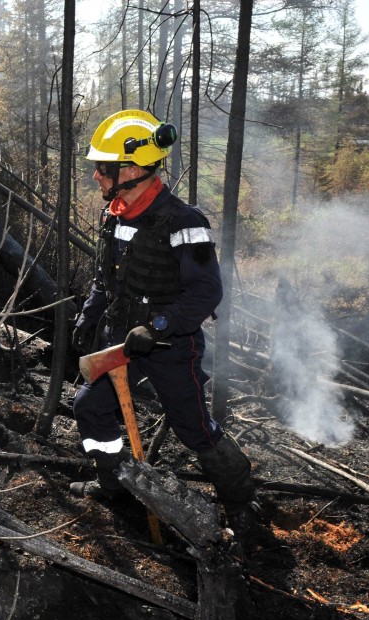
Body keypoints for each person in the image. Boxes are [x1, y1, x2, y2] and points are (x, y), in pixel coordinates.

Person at [69, 109, 258, 539]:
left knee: (193, 428)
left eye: (103, 168)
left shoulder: (185, 222)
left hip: (172, 347)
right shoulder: (114, 216)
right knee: (90, 407)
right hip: (121, 343)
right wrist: (90, 313)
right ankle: (112, 484)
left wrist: (157, 327)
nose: (96, 176)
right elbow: (107, 278)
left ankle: (240, 499)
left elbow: (206, 293)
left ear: (132, 169)